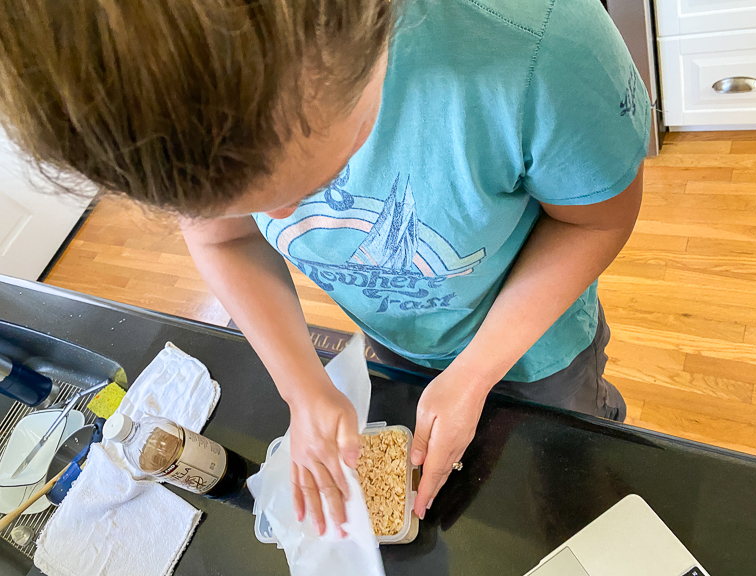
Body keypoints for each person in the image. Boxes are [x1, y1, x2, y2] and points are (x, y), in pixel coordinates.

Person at [0, 0, 650, 539]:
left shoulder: (544, 49)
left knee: (570, 476)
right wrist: (304, 390)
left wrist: (477, 372)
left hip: (542, 353)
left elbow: (592, 220)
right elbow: (223, 239)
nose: (277, 221)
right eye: (245, 205)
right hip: (394, 343)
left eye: (325, 179)